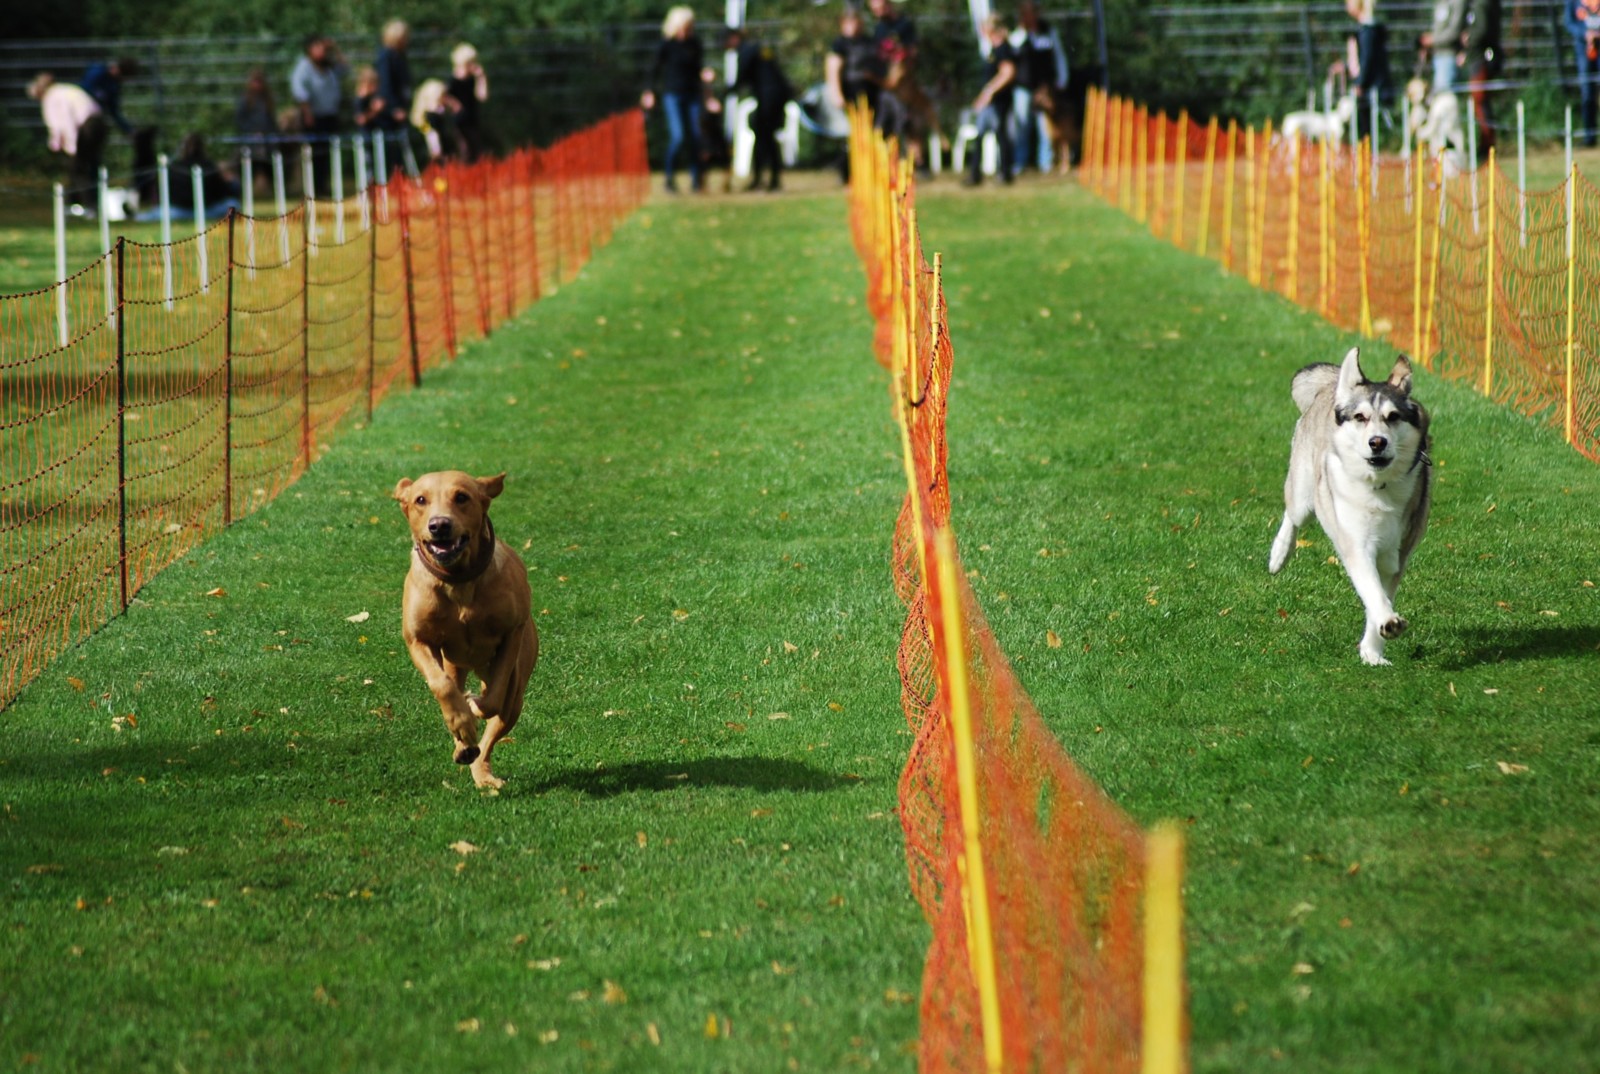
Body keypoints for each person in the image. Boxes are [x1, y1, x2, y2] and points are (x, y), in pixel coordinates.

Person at [641, 6, 705, 193]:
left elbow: (698, 70)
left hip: (693, 95)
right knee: (678, 137)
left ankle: (696, 180)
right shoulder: (666, 45)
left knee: (696, 137)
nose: (686, 30)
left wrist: (707, 87)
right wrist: (648, 92)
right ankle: (669, 178)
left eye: (689, 26)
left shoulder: (695, 44)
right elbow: (653, 70)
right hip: (673, 95)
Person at [727, 26, 792, 192]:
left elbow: (742, 77)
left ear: (734, 38)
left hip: (769, 98)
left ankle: (767, 179)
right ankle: (766, 178)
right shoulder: (758, 48)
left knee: (765, 136)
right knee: (765, 136)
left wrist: (728, 91)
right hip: (777, 95)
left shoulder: (746, 51)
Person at [27, 73, 106, 210]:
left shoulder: (51, 97)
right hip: (99, 123)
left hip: (86, 127)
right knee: (90, 164)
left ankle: (87, 205)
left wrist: (70, 147)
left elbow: (65, 122)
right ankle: (84, 202)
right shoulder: (65, 89)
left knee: (77, 166)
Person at [825, 7, 886, 181]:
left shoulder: (868, 41)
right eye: (850, 22)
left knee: (873, 132)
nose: (854, 26)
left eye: (856, 22)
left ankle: (872, 169)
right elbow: (833, 69)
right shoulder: (840, 44)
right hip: (852, 93)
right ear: (843, 24)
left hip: (873, 93)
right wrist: (836, 94)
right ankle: (847, 170)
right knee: (856, 133)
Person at [1011, 1, 1068, 175]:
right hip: (1023, 87)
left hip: (1044, 87)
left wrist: (1062, 79)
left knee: (1046, 126)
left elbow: (1059, 56)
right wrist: (1023, 31)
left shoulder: (1048, 31)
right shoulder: (1017, 36)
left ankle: (1045, 162)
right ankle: (1020, 162)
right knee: (1022, 125)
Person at [290, 34, 347, 191]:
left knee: (327, 153)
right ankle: (314, 188)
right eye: (318, 46)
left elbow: (345, 69)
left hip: (330, 115)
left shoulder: (328, 66)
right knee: (315, 154)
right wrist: (308, 113)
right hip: (313, 118)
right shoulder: (304, 67)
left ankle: (324, 186)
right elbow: (299, 91)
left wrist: (335, 49)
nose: (322, 50)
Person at [964, 15, 1016, 187]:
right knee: (982, 135)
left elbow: (1007, 73)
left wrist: (988, 92)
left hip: (998, 102)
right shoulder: (994, 50)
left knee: (1000, 135)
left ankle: (1004, 173)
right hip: (992, 101)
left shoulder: (1003, 49)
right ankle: (976, 174)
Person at [1346, 0, 1392, 144]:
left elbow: (1367, 58)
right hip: (1371, 84)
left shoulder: (1368, 30)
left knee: (1366, 127)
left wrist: (1361, 82)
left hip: (1371, 87)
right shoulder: (1367, 29)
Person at [1460, 0, 1500, 156]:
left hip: (1480, 59)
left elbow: (1482, 30)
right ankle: (1485, 143)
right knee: (1480, 102)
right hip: (1477, 59)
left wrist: (1468, 38)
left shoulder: (1481, 4)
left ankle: (1487, 144)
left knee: (1480, 100)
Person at [443, 44, 490, 163]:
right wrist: (454, 104)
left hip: (472, 119)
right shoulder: (452, 80)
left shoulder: (473, 79)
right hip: (460, 121)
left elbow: (482, 96)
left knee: (477, 150)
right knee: (465, 150)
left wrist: (481, 78)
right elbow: (443, 96)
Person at [1567, 0, 1600, 147]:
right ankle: (1589, 136)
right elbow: (1569, 22)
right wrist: (1584, 34)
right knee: (1587, 92)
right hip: (1583, 49)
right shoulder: (1572, 2)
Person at [235, 69, 277, 184]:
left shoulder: (267, 99)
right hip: (250, 140)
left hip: (266, 140)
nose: (257, 85)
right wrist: (252, 132)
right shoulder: (245, 99)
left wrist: (272, 133)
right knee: (250, 166)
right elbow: (240, 119)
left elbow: (271, 120)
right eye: (255, 82)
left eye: (260, 82)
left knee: (269, 165)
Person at [80, 57, 137, 136]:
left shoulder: (114, 86)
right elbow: (84, 90)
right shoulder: (98, 71)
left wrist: (130, 131)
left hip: (92, 118)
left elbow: (114, 112)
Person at [375, 19, 415, 133]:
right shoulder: (386, 56)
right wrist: (394, 109)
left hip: (401, 104)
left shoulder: (400, 55)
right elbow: (385, 83)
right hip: (389, 109)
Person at [1422, 0, 1467, 93]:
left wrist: (1433, 40)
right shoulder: (1440, 2)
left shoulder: (1458, 2)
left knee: (1443, 95)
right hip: (1436, 54)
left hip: (1448, 55)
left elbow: (1454, 32)